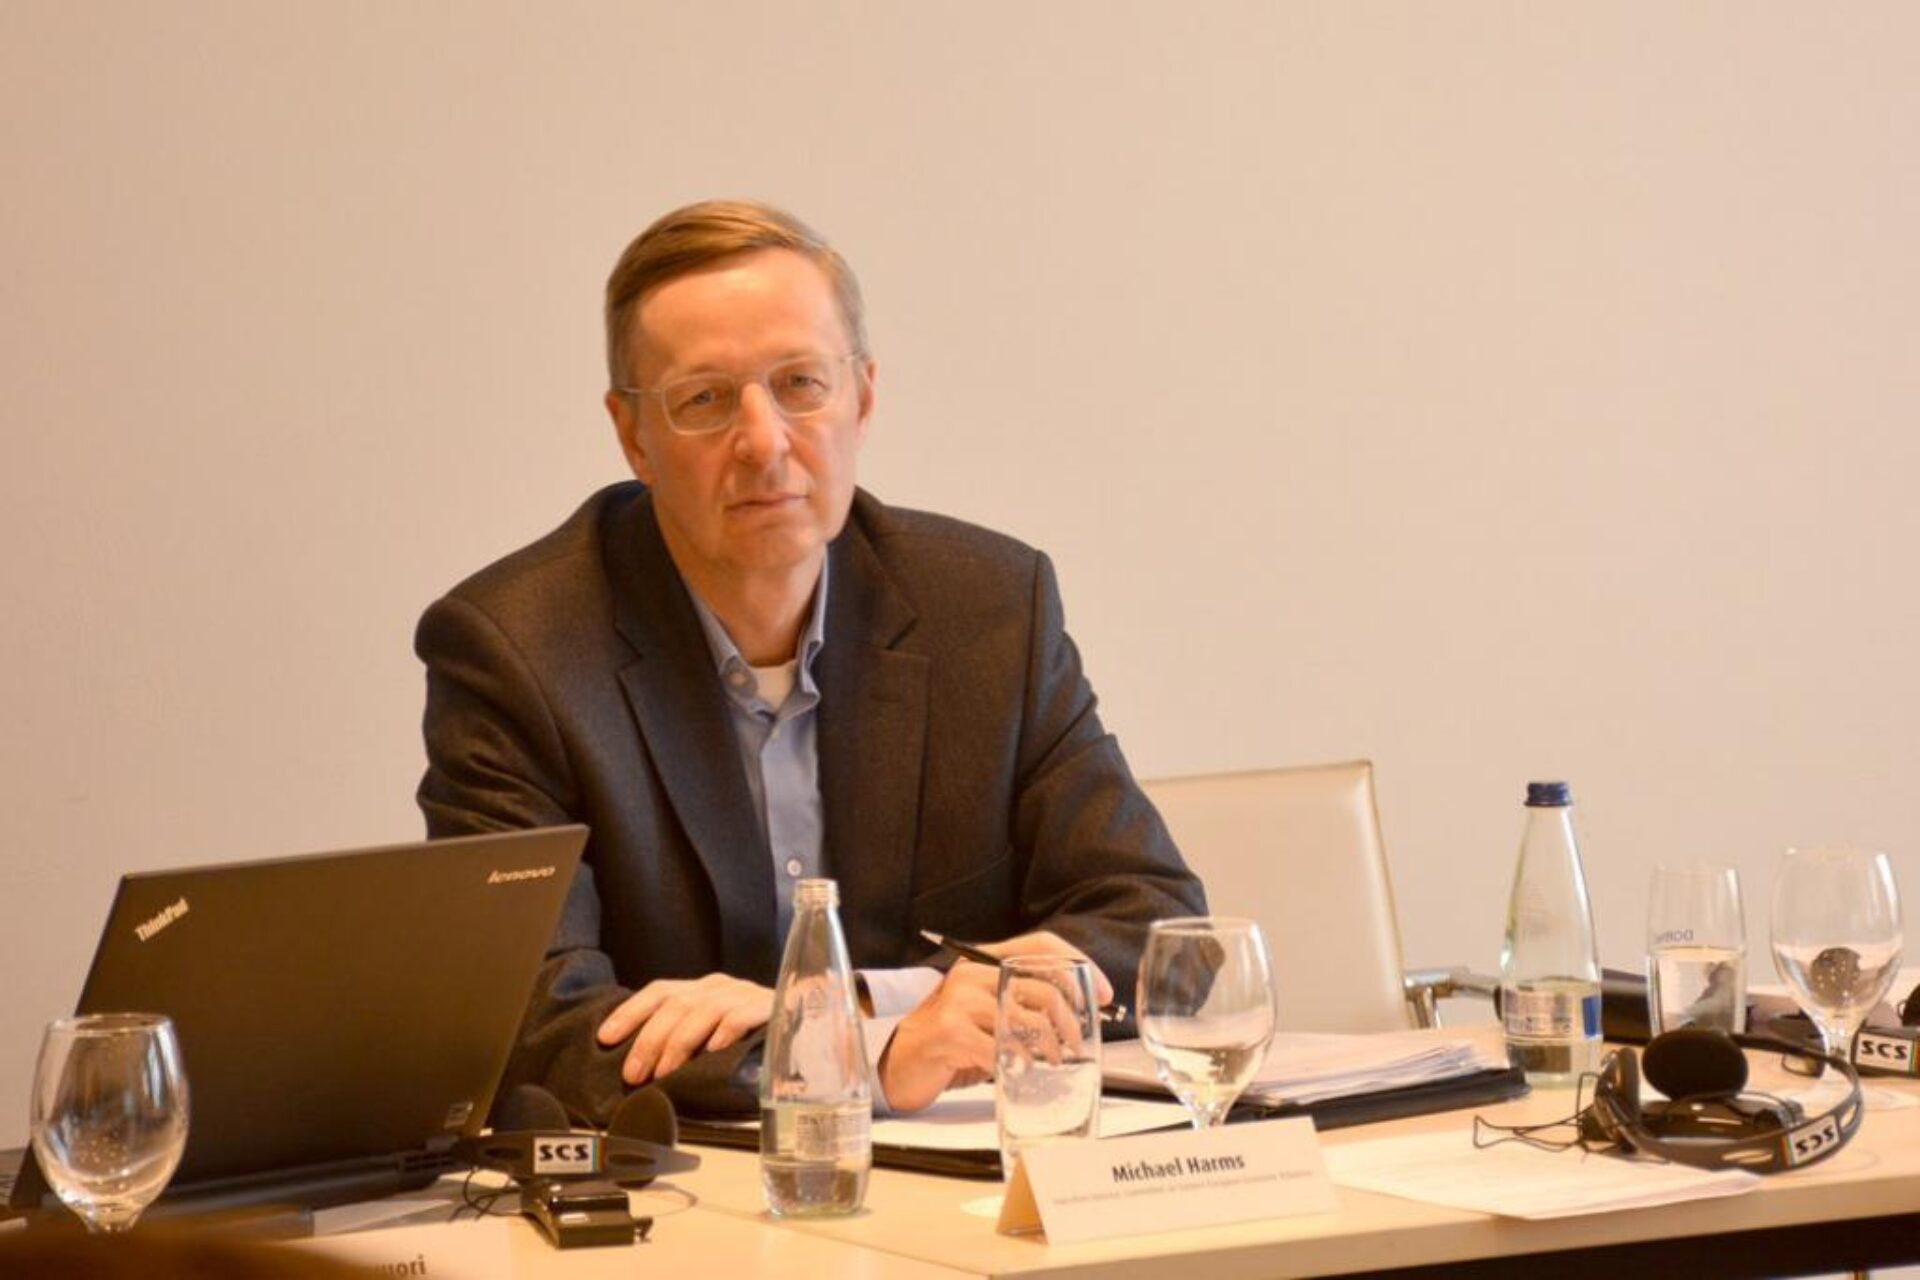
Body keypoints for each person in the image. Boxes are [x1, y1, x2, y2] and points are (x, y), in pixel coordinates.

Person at [415, 200, 1205, 1120]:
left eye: (800, 384)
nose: (764, 442)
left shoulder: (988, 610)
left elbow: (1156, 931)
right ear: (633, 437)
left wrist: (858, 1009)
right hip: (694, 1191)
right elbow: (531, 1024)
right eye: (704, 399)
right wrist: (858, 1057)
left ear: (862, 398)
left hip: (968, 1180)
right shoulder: (517, 652)